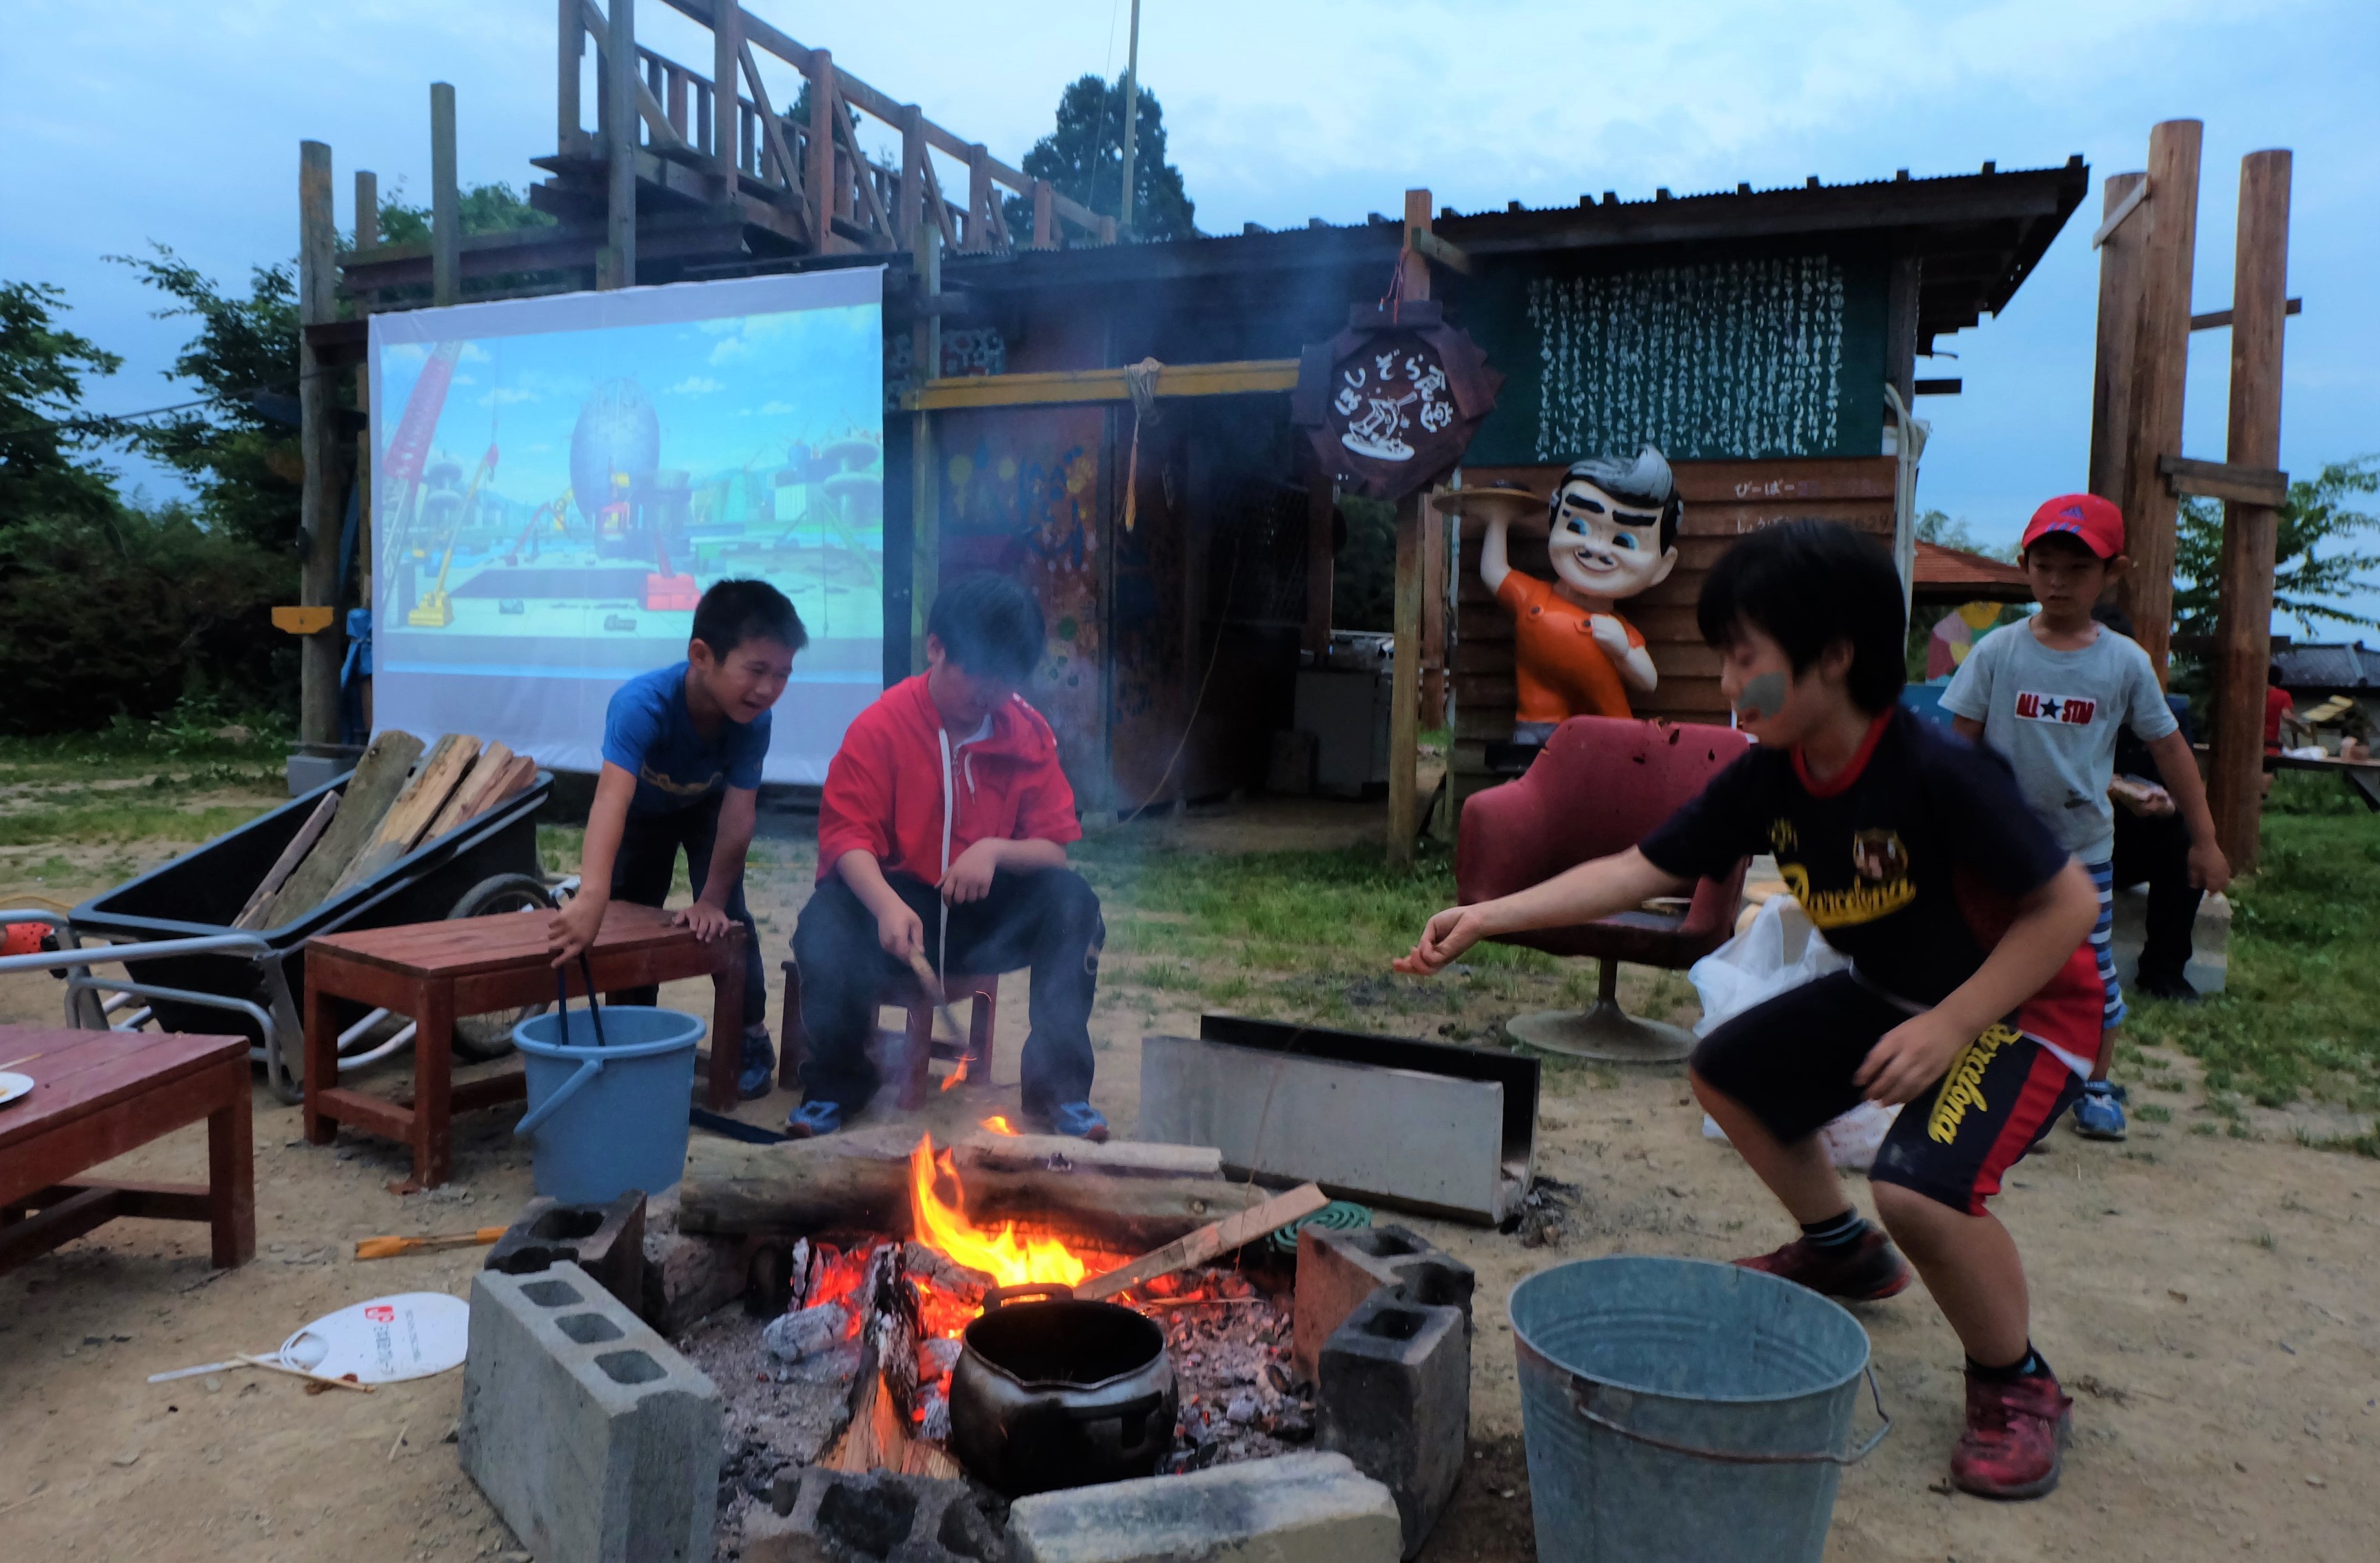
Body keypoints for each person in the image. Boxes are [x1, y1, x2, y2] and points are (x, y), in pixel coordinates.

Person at [1395, 518, 2106, 1500]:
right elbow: (1639, 868)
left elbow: (2067, 907)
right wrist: (1485, 916)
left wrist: (1949, 1026)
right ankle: (1842, 1252)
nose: (1727, 686)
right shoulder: (1772, 773)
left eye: (1743, 659)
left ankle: (2015, 1381)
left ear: (1834, 658)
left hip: (2020, 1012)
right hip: (1892, 994)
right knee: (1728, 1067)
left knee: (1920, 1188)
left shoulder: (1936, 771)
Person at [1940, 495, 2229, 1141]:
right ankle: (1997, 1083)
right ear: (2025, 567)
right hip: (2000, 852)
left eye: (2076, 567)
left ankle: (2094, 1084)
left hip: (2082, 854)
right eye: (2043, 565)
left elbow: (2170, 749)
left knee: (2091, 971)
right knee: (1991, 967)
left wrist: (2205, 840)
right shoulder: (1997, 653)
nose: (2057, 581)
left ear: (2113, 571)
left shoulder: (2123, 662)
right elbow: (1956, 747)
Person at [789, 573, 1107, 1141]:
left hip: (980, 914)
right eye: (977, 676)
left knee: (1072, 904)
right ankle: (835, 1086)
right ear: (936, 648)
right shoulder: (881, 726)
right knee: (825, 921)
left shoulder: (1027, 735)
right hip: (895, 909)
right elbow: (845, 838)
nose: (989, 693)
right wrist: (885, 905)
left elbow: (1053, 849)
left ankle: (1058, 1092)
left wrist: (992, 850)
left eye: (1004, 681)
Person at [546, 578, 803, 1100]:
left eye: (782, 675)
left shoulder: (754, 723)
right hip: (642, 811)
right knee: (627, 919)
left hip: (706, 811)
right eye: (756, 671)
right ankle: (632, 1037)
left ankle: (750, 1037)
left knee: (731, 920)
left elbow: (738, 814)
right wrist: (592, 895)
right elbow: (609, 800)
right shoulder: (641, 704)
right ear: (702, 655)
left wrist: (710, 899)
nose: (768, 689)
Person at [1479, 445, 1680, 741]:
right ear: (1554, 520)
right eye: (1578, 525)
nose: (1596, 549)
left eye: (1625, 541)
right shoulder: (1532, 596)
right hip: (1537, 720)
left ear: (1662, 566)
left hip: (1606, 727)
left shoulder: (1618, 629)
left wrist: (1623, 650)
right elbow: (1495, 571)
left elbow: (1648, 681)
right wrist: (1497, 519)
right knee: (1530, 769)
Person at [2095, 604, 2205, 1003]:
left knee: (2183, 837)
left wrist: (2164, 805)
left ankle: (2164, 971)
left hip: (2127, 841)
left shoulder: (2164, 713)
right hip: (2063, 836)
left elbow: (2180, 785)